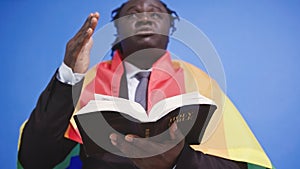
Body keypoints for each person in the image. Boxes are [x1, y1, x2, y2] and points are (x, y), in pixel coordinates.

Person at [18, 0, 272, 169]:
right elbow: (35, 158)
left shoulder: (200, 83)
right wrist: (69, 73)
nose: (145, 18)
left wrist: (177, 160)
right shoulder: (88, 82)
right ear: (118, 29)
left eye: (155, 13)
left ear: (170, 27)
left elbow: (237, 165)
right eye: (133, 13)